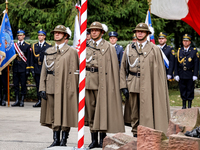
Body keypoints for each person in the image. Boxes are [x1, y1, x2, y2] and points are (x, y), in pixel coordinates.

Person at [120, 23, 170, 136]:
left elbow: (159, 72)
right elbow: (123, 68)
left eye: (142, 31)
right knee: (134, 111)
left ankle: (146, 133)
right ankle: (135, 134)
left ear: (147, 34)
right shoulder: (129, 48)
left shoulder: (154, 49)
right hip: (132, 84)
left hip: (148, 85)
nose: (140, 33)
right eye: (138, 31)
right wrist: (123, 86)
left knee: (147, 110)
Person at [85, 22, 125, 149]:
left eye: (97, 30)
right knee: (90, 111)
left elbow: (114, 67)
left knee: (102, 111)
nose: (94, 32)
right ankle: (93, 139)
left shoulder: (108, 47)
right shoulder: (85, 46)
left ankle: (102, 138)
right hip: (88, 82)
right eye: (92, 30)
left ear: (102, 32)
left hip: (103, 83)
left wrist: (113, 85)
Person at [39, 25, 79, 148]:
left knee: (65, 113)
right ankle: (55, 139)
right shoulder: (49, 51)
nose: (57, 34)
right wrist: (42, 87)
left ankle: (64, 140)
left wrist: (74, 88)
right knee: (53, 113)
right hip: (51, 85)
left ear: (65, 36)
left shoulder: (72, 51)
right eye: (55, 33)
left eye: (59, 33)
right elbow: (44, 70)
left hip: (66, 87)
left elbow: (76, 71)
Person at [174, 34, 199, 109]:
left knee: (190, 89)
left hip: (190, 74)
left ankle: (189, 106)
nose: (185, 42)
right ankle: (184, 105)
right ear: (182, 42)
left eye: (187, 41)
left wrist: (195, 74)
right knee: (182, 89)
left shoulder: (194, 51)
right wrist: (176, 74)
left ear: (190, 42)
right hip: (181, 74)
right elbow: (176, 64)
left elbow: (196, 63)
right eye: (184, 41)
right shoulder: (179, 51)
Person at [12, 29, 32, 107]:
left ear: (24, 36)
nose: (19, 37)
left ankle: (22, 100)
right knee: (16, 84)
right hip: (16, 67)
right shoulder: (14, 45)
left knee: (23, 84)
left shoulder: (27, 45)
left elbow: (29, 58)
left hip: (23, 68)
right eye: (18, 35)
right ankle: (17, 100)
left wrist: (28, 69)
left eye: (21, 35)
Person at [31, 29, 52, 107]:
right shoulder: (34, 46)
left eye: (41, 35)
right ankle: (39, 100)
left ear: (44, 36)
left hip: (45, 68)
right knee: (38, 85)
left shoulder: (48, 46)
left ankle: (45, 100)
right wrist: (32, 69)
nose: (40, 37)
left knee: (46, 85)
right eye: (39, 35)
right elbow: (32, 59)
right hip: (37, 68)